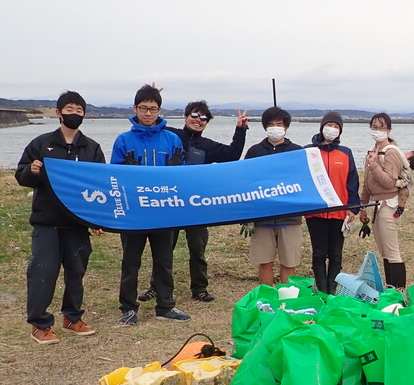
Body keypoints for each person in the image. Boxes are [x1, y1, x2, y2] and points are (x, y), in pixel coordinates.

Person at [15, 91, 106, 344]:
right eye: (69, 109)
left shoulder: (92, 148)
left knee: (76, 272)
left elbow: (99, 186)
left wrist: (98, 220)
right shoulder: (41, 144)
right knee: (43, 272)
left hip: (77, 224)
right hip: (47, 222)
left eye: (79, 110)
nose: (73, 114)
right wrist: (31, 171)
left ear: (84, 114)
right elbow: (20, 175)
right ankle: (40, 324)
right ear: (58, 113)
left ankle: (72, 318)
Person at [147, 100, 248, 303]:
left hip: (196, 205)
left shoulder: (208, 146)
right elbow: (152, 125)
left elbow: (232, 155)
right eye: (194, 115)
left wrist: (241, 129)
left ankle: (200, 288)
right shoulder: (171, 134)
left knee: (197, 249)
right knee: (164, 249)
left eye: (203, 118)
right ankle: (156, 287)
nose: (198, 120)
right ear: (185, 117)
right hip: (170, 202)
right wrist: (153, 100)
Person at [110, 84, 190, 325]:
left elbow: (184, 177)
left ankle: (166, 305)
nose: (148, 113)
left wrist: (178, 170)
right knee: (130, 261)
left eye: (153, 109)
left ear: (159, 110)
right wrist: (127, 172)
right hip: (134, 213)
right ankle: (128, 307)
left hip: (164, 212)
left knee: (164, 261)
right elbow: (113, 177)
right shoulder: (123, 140)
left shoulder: (172, 139)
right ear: (135, 108)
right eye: (143, 108)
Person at [359, 113, 414, 289]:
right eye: (374, 127)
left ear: (389, 129)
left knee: (392, 252)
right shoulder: (373, 152)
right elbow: (367, 183)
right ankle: (390, 289)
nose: (377, 131)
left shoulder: (391, 152)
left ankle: (399, 292)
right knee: (384, 252)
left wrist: (374, 164)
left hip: (389, 204)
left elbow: (388, 182)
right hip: (376, 206)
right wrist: (362, 207)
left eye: (382, 127)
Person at [242, 106, 303, 286]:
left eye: (279, 124)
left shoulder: (297, 151)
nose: (275, 128)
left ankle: (286, 300)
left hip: (290, 218)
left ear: (286, 127)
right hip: (262, 218)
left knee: (289, 262)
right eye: (270, 124)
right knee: (264, 261)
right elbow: (246, 181)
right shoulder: (254, 151)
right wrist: (247, 214)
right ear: (264, 127)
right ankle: (267, 300)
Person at [304, 111, 360, 294]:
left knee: (336, 254)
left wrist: (353, 208)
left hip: (339, 212)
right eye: (330, 125)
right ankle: (321, 290)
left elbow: (352, 182)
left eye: (336, 127)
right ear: (322, 127)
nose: (332, 129)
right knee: (319, 253)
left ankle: (332, 289)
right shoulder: (309, 152)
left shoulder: (345, 153)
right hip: (316, 212)